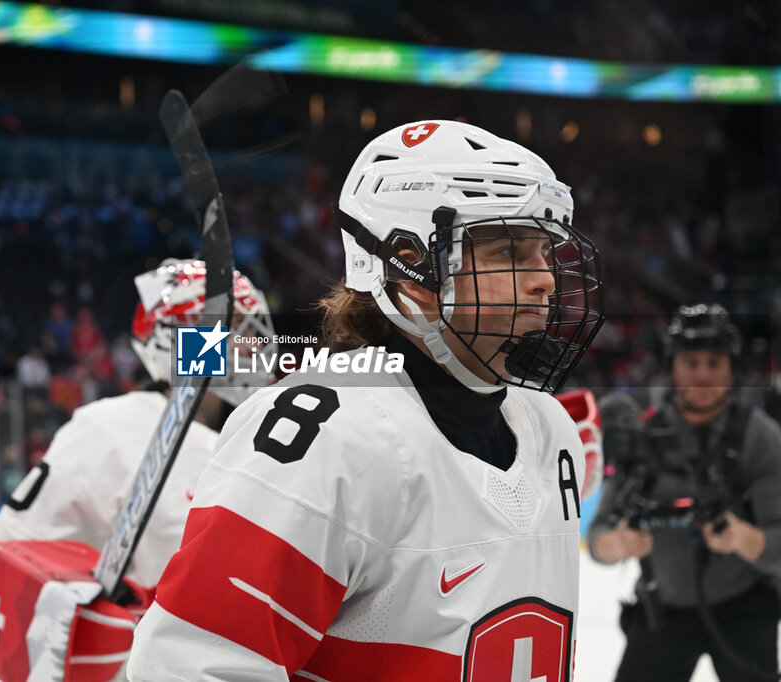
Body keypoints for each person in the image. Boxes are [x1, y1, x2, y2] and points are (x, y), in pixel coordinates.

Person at [127, 120, 604, 681]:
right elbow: (193, 668)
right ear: (411, 264)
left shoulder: (547, 425)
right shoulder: (324, 434)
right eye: (508, 250)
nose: (546, 280)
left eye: (544, 252)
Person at [0, 257, 276, 589]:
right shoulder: (108, 429)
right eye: (238, 327)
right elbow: (1, 555)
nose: (255, 345)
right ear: (185, 339)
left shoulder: (254, 437)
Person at [588, 303, 781, 682]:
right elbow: (598, 537)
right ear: (672, 367)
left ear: (732, 369)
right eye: (691, 363)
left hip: (744, 608)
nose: (703, 374)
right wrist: (620, 543)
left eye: (715, 363)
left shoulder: (760, 437)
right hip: (662, 607)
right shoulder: (641, 435)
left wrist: (743, 537)